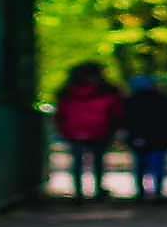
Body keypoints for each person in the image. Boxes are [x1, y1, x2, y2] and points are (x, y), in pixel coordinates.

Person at [53, 62, 123, 200]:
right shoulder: (107, 91)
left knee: (77, 162)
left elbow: (60, 114)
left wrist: (63, 129)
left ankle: (78, 191)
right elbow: (115, 112)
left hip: (73, 131)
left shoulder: (67, 92)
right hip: (100, 130)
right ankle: (98, 190)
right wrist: (114, 128)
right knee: (98, 161)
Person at [121, 75, 167, 202]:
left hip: (140, 138)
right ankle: (157, 192)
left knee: (141, 164)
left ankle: (141, 191)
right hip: (160, 138)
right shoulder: (164, 100)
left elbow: (125, 121)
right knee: (157, 165)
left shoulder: (130, 102)